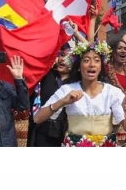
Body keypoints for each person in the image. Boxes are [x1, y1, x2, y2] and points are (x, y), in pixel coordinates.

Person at [33, 39, 126, 147]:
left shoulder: (112, 92)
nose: (92, 65)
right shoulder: (67, 89)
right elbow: (37, 119)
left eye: (96, 60)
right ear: (78, 66)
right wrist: (63, 101)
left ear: (101, 66)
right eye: (86, 60)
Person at [27, 16, 90, 147]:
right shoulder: (46, 75)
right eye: (61, 55)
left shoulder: (77, 82)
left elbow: (91, 51)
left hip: (66, 134)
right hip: (42, 133)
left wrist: (76, 33)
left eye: (68, 57)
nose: (62, 59)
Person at [105, 39, 126, 145]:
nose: (123, 51)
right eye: (120, 48)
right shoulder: (105, 69)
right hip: (110, 120)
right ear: (112, 51)